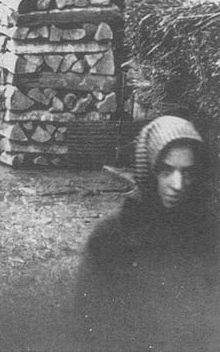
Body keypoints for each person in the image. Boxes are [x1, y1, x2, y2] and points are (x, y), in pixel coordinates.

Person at [74, 115, 219, 350]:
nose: (178, 184)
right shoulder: (111, 237)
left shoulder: (208, 234)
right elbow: (88, 325)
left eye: (188, 172)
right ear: (148, 173)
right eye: (166, 171)